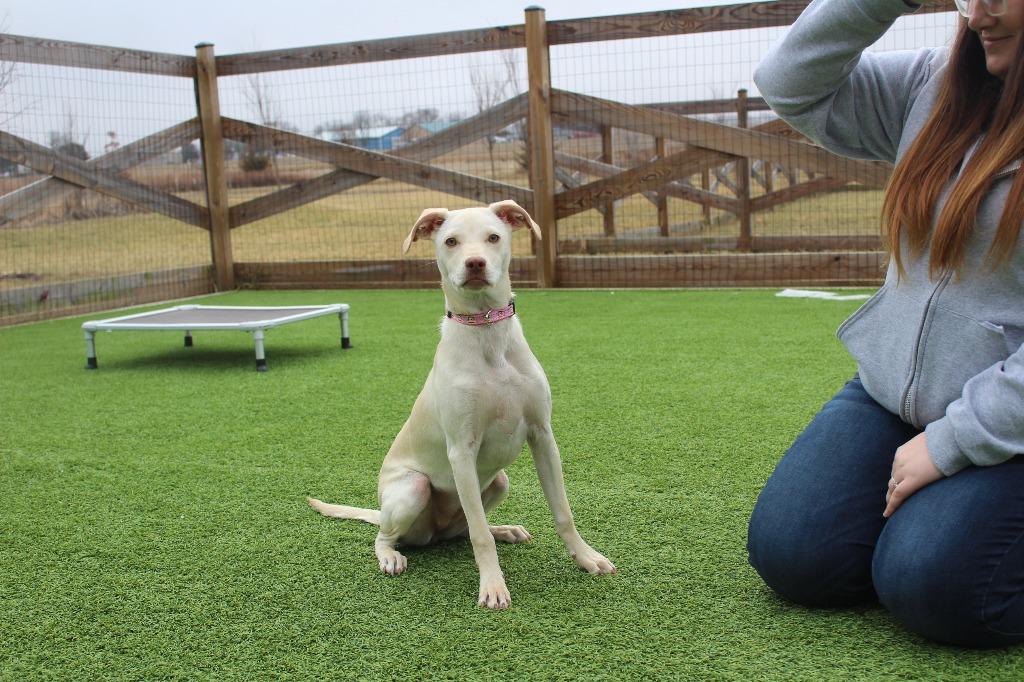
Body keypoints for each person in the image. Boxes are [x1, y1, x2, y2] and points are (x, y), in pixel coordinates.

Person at [746, 0, 1024, 647]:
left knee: (937, 587)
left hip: (1010, 419)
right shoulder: (936, 84)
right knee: (794, 555)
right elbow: (790, 82)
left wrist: (954, 443)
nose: (977, 13)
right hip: (894, 395)